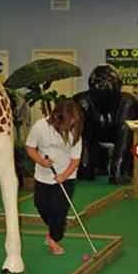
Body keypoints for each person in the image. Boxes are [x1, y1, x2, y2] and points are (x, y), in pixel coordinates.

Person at [25, 100, 84, 255]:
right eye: (69, 121)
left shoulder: (75, 132)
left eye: (74, 121)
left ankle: (54, 238)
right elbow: (30, 148)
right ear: (57, 117)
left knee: (59, 211)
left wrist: (64, 175)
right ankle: (54, 229)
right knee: (41, 205)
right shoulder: (40, 127)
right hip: (43, 175)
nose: (71, 124)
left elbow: (76, 159)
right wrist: (41, 161)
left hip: (67, 175)